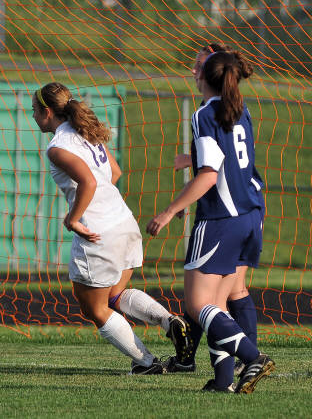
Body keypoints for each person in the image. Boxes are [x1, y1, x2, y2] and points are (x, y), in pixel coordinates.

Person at [32, 82, 193, 375]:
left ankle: (146, 363)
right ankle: (169, 321)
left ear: (47, 112)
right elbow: (114, 173)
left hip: (99, 233)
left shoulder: (57, 147)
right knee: (115, 296)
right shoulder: (87, 132)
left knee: (94, 309)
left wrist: (73, 219)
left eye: (34, 110)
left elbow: (89, 182)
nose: (33, 116)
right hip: (124, 222)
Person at [146, 50, 274, 393]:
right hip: (249, 215)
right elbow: (228, 161)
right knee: (218, 303)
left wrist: (169, 211)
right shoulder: (240, 108)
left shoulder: (204, 114)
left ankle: (254, 357)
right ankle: (222, 381)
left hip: (220, 220)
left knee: (198, 304)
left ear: (205, 76)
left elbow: (208, 174)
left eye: (198, 67)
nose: (193, 71)